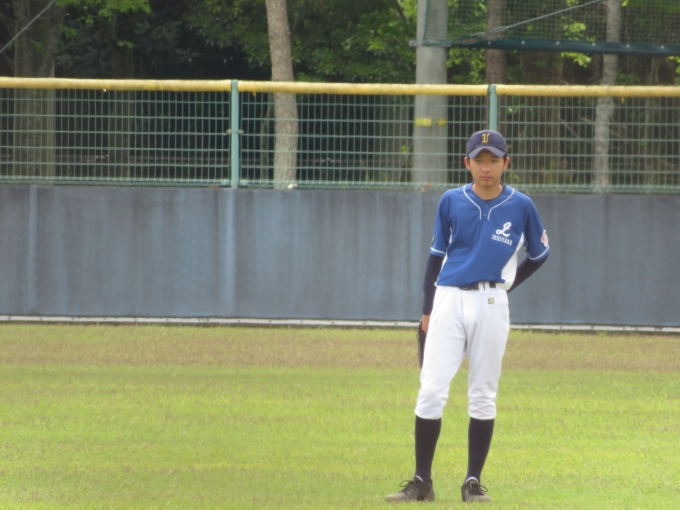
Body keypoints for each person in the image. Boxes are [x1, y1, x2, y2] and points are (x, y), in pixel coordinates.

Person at [385, 129, 550, 503]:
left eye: (493, 160)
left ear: (506, 163)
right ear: (467, 163)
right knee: (431, 389)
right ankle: (421, 481)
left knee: (483, 393)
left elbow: (540, 254)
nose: (486, 167)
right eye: (479, 160)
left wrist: (506, 285)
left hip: (492, 302)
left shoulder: (521, 205)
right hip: (448, 298)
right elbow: (435, 259)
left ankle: (472, 482)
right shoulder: (452, 200)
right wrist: (427, 311)